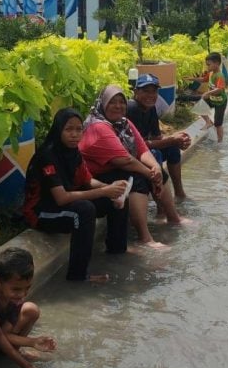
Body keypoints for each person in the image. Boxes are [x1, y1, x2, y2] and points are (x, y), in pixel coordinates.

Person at [23, 107, 129, 282]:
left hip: (64, 205)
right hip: (41, 212)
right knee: (84, 210)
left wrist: (112, 189)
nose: (74, 134)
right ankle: (77, 275)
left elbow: (88, 181)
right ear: (59, 130)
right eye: (68, 129)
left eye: (79, 129)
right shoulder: (47, 156)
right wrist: (103, 191)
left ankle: (117, 251)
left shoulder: (74, 153)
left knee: (115, 196)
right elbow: (61, 198)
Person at [79, 84, 186, 248]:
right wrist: (150, 173)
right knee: (136, 179)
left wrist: (155, 168)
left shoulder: (124, 122)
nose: (118, 106)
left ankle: (173, 218)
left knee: (157, 170)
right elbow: (124, 160)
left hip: (114, 169)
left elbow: (142, 147)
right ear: (103, 103)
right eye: (112, 102)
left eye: (121, 102)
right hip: (93, 177)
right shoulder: (97, 126)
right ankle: (145, 237)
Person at [126, 73, 192, 200]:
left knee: (173, 149)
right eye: (146, 91)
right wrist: (171, 140)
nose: (150, 96)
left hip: (143, 149)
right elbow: (140, 145)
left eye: (154, 92)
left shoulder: (150, 108)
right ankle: (161, 209)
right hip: (130, 153)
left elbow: (156, 137)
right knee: (155, 154)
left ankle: (179, 193)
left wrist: (177, 139)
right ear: (135, 92)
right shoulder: (132, 108)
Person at [193, 52, 228, 142]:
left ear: (216, 64)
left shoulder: (220, 75)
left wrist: (208, 93)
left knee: (218, 124)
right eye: (207, 65)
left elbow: (220, 89)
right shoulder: (211, 73)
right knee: (199, 107)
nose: (207, 67)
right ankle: (208, 122)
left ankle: (220, 142)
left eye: (209, 65)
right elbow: (204, 79)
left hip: (221, 102)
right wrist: (192, 79)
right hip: (212, 99)